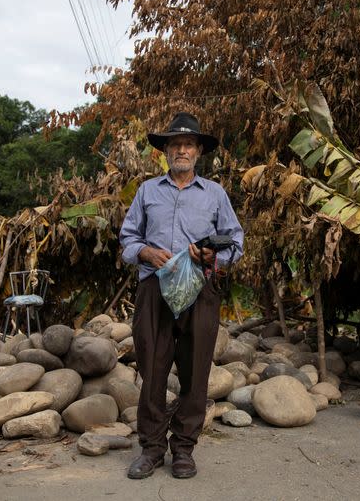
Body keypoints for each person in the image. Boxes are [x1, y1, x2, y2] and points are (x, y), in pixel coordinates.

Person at [119, 112, 244, 480]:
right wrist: (144, 252)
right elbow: (128, 237)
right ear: (166, 151)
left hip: (200, 290)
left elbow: (235, 243)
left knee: (195, 371)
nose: (182, 150)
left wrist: (211, 256)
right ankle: (152, 449)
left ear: (199, 151)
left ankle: (185, 449)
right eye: (175, 144)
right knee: (153, 369)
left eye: (188, 144)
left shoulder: (215, 194)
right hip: (154, 288)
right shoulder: (147, 191)